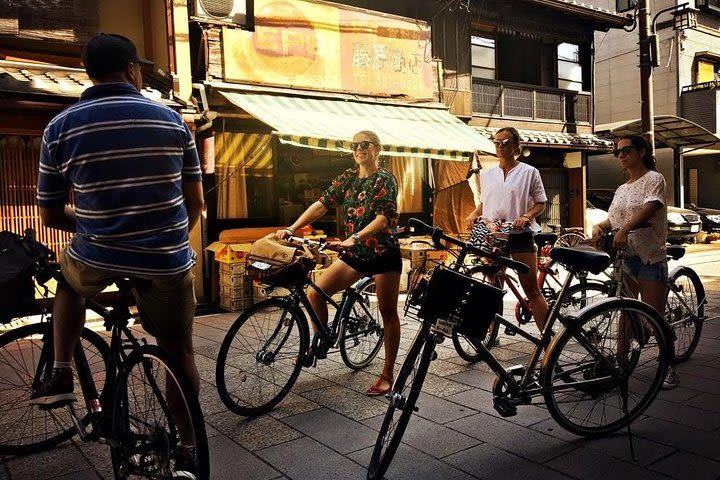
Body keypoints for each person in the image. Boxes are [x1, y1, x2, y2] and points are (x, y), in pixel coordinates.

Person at [33, 33, 205, 464]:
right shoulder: (172, 121)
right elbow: (196, 204)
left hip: (98, 254)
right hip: (165, 259)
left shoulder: (59, 127)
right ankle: (187, 446)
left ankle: (60, 372)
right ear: (134, 70)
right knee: (178, 350)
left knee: (69, 284)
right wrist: (169, 240)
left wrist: (94, 224)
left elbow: (51, 216)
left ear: (89, 73)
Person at [277, 130, 401, 396]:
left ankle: (388, 373)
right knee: (315, 293)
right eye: (354, 145)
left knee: (388, 311)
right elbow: (321, 204)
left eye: (364, 144)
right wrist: (293, 227)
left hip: (382, 254)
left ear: (377, 149)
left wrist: (353, 238)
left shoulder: (385, 179)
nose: (358, 149)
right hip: (355, 254)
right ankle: (319, 340)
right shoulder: (348, 178)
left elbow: (382, 219)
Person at [587, 135, 677, 389]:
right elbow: (613, 219)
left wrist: (624, 229)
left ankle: (667, 365)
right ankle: (621, 363)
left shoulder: (653, 179)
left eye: (626, 150)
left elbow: (650, 209)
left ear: (641, 151)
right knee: (625, 312)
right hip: (625, 258)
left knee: (654, 317)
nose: (621, 155)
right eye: (617, 152)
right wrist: (598, 226)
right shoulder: (622, 188)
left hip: (649, 256)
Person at [465, 127, 549, 331]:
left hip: (519, 233)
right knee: (492, 284)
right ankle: (489, 332)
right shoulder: (486, 174)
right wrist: (474, 213)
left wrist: (526, 216)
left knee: (532, 289)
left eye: (505, 142)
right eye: (497, 142)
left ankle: (549, 339)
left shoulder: (529, 172)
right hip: (492, 234)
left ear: (516, 146)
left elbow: (541, 203)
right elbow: (484, 202)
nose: (500, 146)